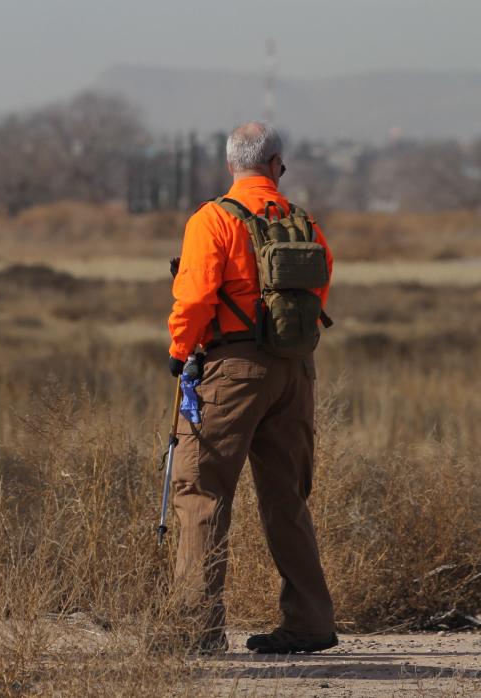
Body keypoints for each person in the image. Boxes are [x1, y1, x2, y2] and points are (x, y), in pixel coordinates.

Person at [167, 121, 337, 654]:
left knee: (200, 493)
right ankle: (309, 622)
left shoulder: (212, 218)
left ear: (230, 165)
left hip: (231, 372)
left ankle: (195, 630)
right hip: (295, 369)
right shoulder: (302, 219)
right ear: (277, 164)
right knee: (287, 498)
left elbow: (195, 298)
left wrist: (179, 350)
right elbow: (321, 283)